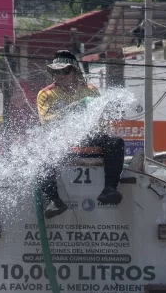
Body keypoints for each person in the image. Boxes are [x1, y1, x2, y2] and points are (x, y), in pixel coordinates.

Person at [34, 50, 126, 218]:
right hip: (60, 141)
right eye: (55, 71)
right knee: (41, 154)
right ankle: (54, 200)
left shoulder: (90, 90)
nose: (60, 75)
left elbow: (100, 123)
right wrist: (71, 109)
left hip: (86, 138)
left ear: (75, 72)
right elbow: (46, 122)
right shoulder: (46, 94)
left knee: (116, 142)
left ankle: (110, 189)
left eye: (65, 71)